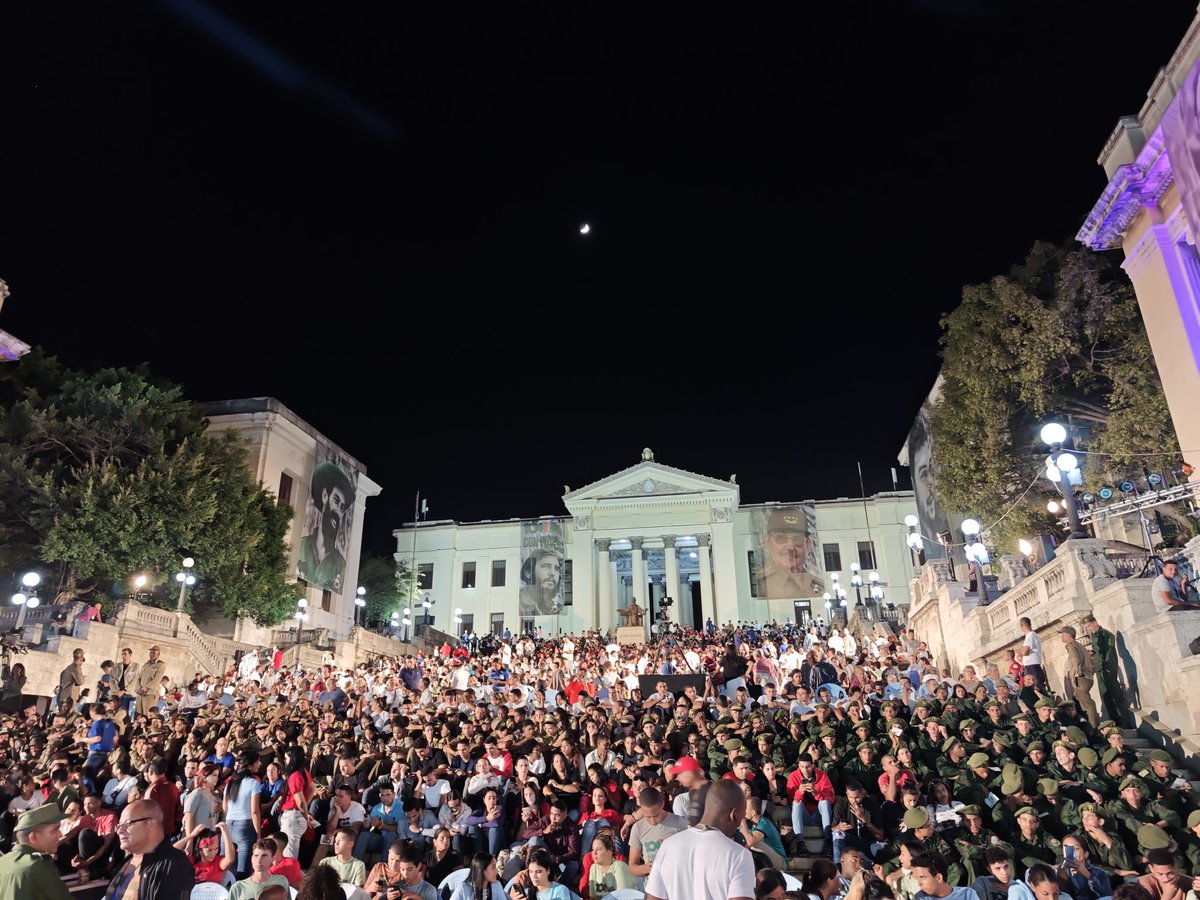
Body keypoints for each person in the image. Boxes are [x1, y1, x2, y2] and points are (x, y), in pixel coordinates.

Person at [644, 779, 756, 900]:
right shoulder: (740, 856)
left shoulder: (668, 846)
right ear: (733, 815)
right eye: (740, 819)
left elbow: (652, 897)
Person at [106, 798, 195, 900]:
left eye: (127, 824)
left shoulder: (173, 864)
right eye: (119, 826)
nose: (119, 831)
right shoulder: (126, 862)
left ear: (150, 824)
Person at [297, 460, 356, 593]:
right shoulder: (300, 547)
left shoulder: (341, 565)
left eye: (342, 507)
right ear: (325, 495)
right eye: (336, 500)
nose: (337, 511)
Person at [0, 803, 72, 900]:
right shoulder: (36, 865)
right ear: (33, 837)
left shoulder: (3, 862)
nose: (60, 834)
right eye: (55, 829)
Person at [755, 506, 824, 600]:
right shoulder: (759, 587)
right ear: (766, 542)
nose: (790, 547)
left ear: (808, 545)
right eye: (780, 538)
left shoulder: (820, 586)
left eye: (798, 539)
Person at [1080, 614, 1134, 728]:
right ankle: (1114, 722)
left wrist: (1109, 668)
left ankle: (1124, 722)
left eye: (1089, 626)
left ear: (1095, 622)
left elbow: (1110, 653)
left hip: (1107, 669)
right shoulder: (1095, 636)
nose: (1088, 629)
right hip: (1099, 670)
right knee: (1106, 697)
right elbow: (1099, 652)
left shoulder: (1106, 634)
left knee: (1116, 695)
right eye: (1087, 627)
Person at [1057, 626, 1099, 728]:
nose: (1061, 637)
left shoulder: (1071, 646)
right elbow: (1093, 663)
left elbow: (1075, 658)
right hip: (1087, 677)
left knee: (1086, 704)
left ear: (1068, 635)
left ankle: (1094, 727)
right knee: (1080, 702)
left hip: (1081, 678)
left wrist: (1077, 671)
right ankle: (1087, 725)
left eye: (1063, 634)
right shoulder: (1081, 646)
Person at [584, 830, 634, 899]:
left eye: (599, 849)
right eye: (593, 849)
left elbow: (622, 896)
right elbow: (593, 897)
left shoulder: (619, 867)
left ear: (609, 851)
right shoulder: (593, 868)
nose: (594, 853)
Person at [506, 847, 571, 900]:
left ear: (548, 870)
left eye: (538, 872)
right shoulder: (528, 892)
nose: (534, 876)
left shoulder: (560, 890)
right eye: (531, 872)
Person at [911, 852, 978, 900]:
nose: (919, 883)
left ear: (939, 878)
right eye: (916, 878)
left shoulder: (967, 894)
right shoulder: (920, 897)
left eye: (922, 877)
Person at [519, 548, 564, 617]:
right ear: (528, 572)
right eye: (546, 566)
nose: (552, 573)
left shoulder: (554, 607)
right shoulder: (517, 602)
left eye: (557, 569)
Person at [134, 646, 167, 719]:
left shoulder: (160, 665)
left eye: (154, 653)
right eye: (150, 652)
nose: (151, 654)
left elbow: (157, 679)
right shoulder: (146, 664)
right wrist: (138, 688)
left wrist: (145, 688)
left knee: (148, 714)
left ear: (158, 654)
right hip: (140, 693)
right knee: (138, 715)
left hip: (150, 693)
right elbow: (138, 677)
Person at [1019, 619, 1048, 693]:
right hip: (1032, 666)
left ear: (1022, 625)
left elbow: (1024, 651)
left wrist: (1021, 652)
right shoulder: (1031, 635)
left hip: (1032, 666)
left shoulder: (1030, 635)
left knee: (1035, 688)